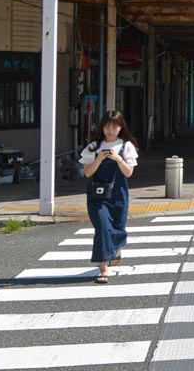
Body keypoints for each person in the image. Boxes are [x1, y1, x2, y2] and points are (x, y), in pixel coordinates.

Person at [80, 110, 139, 284]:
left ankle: (117, 246)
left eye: (114, 126)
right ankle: (103, 268)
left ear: (121, 128)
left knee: (118, 227)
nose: (110, 130)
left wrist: (118, 159)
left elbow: (128, 173)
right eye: (107, 126)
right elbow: (87, 172)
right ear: (102, 128)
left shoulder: (126, 146)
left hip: (118, 193)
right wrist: (98, 159)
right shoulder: (93, 147)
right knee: (103, 228)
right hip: (97, 195)